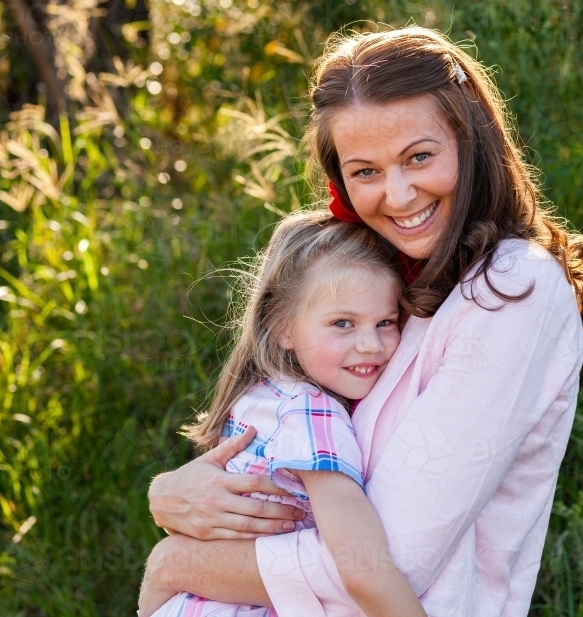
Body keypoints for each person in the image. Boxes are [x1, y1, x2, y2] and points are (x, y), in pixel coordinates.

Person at [140, 26, 583, 616]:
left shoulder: (511, 288)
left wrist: (179, 562)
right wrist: (171, 493)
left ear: (472, 143)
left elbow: (393, 561)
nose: (400, 194)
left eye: (420, 157)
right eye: (365, 172)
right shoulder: (386, 285)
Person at [142, 211, 427, 617]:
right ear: (283, 327)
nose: (371, 344)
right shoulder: (312, 413)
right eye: (343, 323)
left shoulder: (263, 395)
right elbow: (363, 568)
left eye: (386, 322)